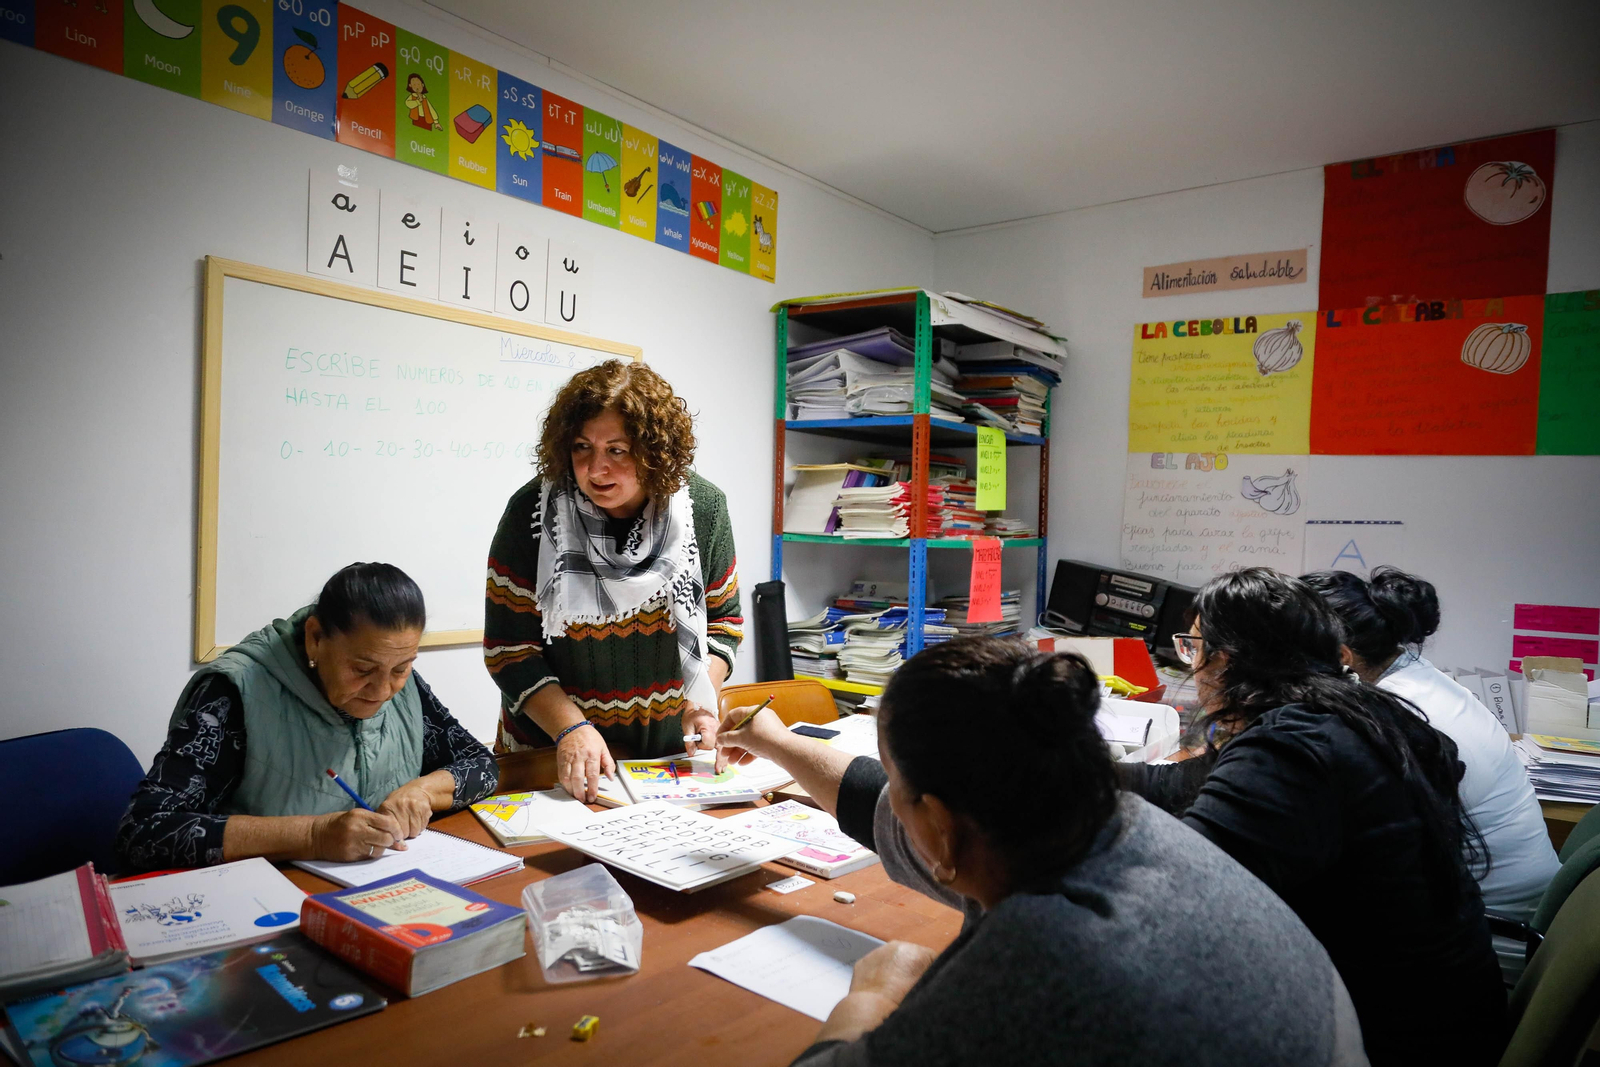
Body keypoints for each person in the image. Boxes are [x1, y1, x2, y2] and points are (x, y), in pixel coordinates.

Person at [716, 637, 1367, 1067]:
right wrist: (776, 743)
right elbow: (879, 802)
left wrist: (869, 1000)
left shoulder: (1046, 949)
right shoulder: (1107, 824)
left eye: (905, 790)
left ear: (942, 828)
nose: (896, 802)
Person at [1119, 567, 1505, 1066]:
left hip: (1393, 1036)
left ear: (1226, 660)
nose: (1190, 668)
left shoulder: (1294, 751)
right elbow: (1176, 784)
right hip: (1441, 1010)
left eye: (1192, 648)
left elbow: (1182, 895)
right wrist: (1082, 773)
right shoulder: (1350, 712)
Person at [115, 563, 498, 873]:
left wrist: (422, 791)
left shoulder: (403, 684)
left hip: (374, 890)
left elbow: (482, 765)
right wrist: (314, 835)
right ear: (315, 638)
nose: (383, 689)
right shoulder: (235, 692)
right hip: (262, 906)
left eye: (401, 668)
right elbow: (145, 831)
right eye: (362, 669)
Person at [484, 359, 742, 802]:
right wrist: (572, 727)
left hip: (663, 762)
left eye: (617, 451)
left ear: (655, 450)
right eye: (582, 447)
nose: (595, 469)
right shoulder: (533, 514)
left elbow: (724, 623)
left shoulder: (703, 508)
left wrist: (701, 700)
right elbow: (509, 650)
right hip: (554, 756)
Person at [1304, 566, 1559, 976]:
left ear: (1341, 656)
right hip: (1517, 925)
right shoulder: (1420, 682)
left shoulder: (1396, 717)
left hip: (1487, 949)